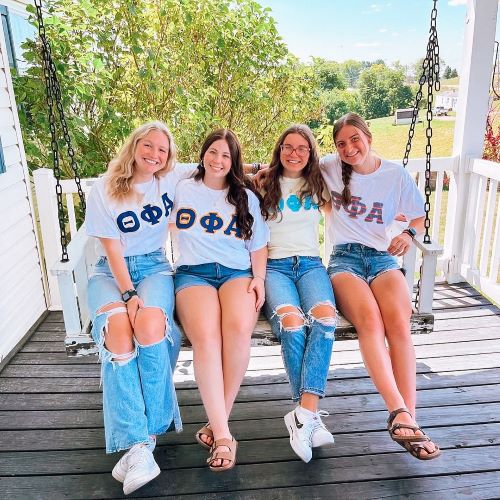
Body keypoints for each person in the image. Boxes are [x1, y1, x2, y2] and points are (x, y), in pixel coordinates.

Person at [321, 112, 441, 460]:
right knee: (370, 323)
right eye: (341, 143)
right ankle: (398, 412)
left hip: (382, 257)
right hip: (344, 261)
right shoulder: (329, 168)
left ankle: (410, 419)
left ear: (368, 136)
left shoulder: (394, 174)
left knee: (399, 325)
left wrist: (408, 233)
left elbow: (418, 215)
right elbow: (291, 161)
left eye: (354, 139)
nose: (348, 147)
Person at [85, 121, 196, 495]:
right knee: (118, 331)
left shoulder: (170, 178)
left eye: (162, 150)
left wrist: (257, 171)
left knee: (149, 326)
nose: (154, 155)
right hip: (111, 272)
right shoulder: (103, 188)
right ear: (134, 146)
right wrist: (128, 294)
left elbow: (216, 167)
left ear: (168, 157)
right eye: (148, 146)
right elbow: (112, 249)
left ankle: (138, 444)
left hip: (154, 267)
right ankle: (142, 442)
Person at [172, 128, 269, 472]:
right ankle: (226, 437)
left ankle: (217, 425)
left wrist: (258, 279)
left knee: (239, 330)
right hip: (193, 273)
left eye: (225, 155)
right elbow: (145, 190)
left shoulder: (245, 196)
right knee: (207, 338)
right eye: (213, 152)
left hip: (236, 272)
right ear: (202, 154)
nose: (217, 160)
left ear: (233, 162)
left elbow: (258, 246)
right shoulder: (182, 187)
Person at [259, 124, 337, 463]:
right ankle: (309, 415)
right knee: (292, 323)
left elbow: (350, 211)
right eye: (287, 147)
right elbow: (229, 181)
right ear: (279, 150)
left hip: (309, 265)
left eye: (302, 148)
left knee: (324, 319)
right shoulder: (263, 182)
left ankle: (303, 414)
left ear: (311, 153)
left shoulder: (319, 184)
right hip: (274, 266)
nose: (294, 153)